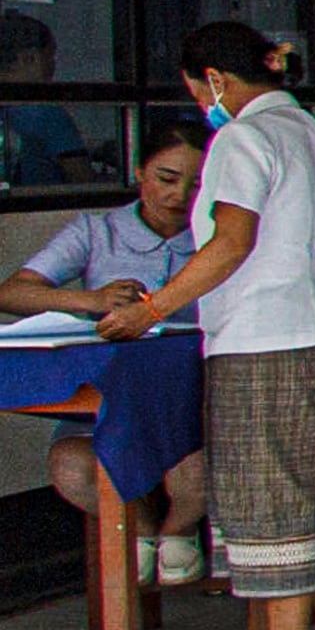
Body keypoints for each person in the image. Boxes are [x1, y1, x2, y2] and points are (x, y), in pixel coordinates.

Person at [103, 24, 315, 630]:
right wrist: (312, 284)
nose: (202, 103)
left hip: (262, 340)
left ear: (214, 80)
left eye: (199, 89)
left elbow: (230, 243)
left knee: (266, 501)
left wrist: (151, 309)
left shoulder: (242, 140)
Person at [0, 121, 211, 581]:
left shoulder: (221, 238)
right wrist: (90, 301)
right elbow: (11, 293)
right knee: (72, 466)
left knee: (195, 475)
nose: (179, 196)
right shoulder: (98, 232)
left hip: (195, 401)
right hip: (108, 400)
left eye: (196, 184)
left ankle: (179, 530)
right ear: (139, 172)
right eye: (166, 179)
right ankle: (143, 529)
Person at [0, 11, 100, 187]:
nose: (53, 66)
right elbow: (83, 178)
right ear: (27, 58)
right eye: (50, 56)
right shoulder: (46, 113)